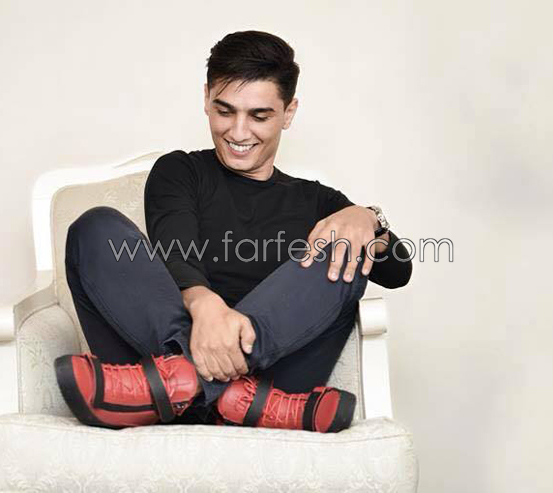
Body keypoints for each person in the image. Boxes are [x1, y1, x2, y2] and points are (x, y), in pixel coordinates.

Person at [54, 30, 412, 433]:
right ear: (206, 98)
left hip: (257, 381)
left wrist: (367, 218)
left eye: (259, 116)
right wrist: (205, 305)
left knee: (345, 246)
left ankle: (184, 381)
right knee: (94, 227)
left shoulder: (317, 202)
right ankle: (225, 395)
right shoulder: (181, 171)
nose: (239, 133)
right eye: (225, 111)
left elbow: (398, 271)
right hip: (234, 393)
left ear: (288, 112)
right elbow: (176, 249)